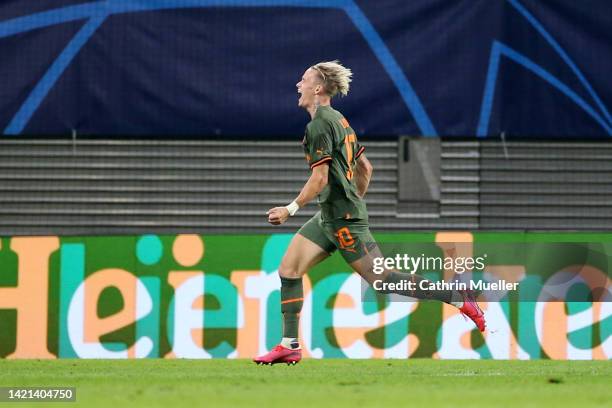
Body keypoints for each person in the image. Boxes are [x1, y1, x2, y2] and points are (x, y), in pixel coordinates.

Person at [253, 61, 485, 366]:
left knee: (383, 280)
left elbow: (320, 178)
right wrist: (351, 200)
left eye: (303, 80)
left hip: (342, 219)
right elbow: (365, 167)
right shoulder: (340, 121)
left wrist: (291, 208)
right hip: (331, 215)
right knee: (289, 270)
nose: (299, 85)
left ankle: (457, 297)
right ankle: (289, 345)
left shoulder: (320, 125)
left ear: (318, 88)